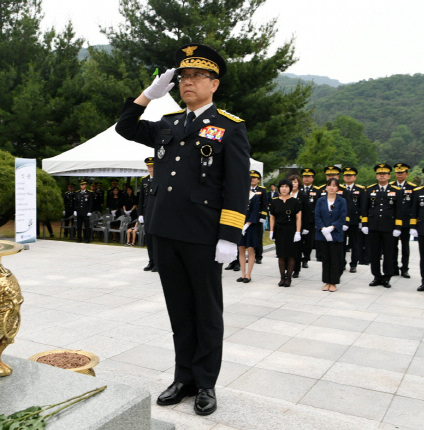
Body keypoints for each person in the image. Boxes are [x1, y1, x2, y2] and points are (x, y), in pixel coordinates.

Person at [115, 43, 250, 416]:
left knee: (206, 311)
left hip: (204, 235)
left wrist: (229, 235)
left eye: (196, 77)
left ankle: (206, 383)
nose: (187, 83)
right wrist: (148, 95)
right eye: (183, 77)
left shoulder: (229, 127)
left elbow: (238, 187)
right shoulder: (169, 123)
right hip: (166, 232)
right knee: (179, 311)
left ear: (214, 84)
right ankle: (183, 377)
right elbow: (125, 127)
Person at [361, 164, 403, 288]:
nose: (382, 175)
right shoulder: (369, 190)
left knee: (388, 253)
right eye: (379, 174)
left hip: (389, 228)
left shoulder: (396, 191)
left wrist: (398, 227)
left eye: (384, 174)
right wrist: (364, 224)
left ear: (389, 176)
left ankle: (387, 277)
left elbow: (399, 211)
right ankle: (376, 276)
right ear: (376, 176)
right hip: (373, 227)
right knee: (374, 253)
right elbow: (365, 209)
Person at [315, 178, 347, 292]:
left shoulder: (342, 201)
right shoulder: (321, 200)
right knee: (326, 259)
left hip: (336, 234)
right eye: (330, 185)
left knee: (335, 259)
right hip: (323, 234)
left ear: (337, 188)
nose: (332, 187)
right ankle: (326, 281)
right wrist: (323, 228)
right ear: (326, 187)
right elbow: (317, 216)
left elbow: (342, 217)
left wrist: (331, 228)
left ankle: (333, 282)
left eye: (334, 185)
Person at [269, 178, 302, 287]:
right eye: (282, 186)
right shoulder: (275, 201)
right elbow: (272, 217)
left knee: (291, 255)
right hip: (279, 230)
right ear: (279, 188)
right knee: (281, 255)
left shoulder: (295, 201)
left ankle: (289, 278)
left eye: (286, 187)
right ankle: (282, 277)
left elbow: (298, 218)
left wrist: (298, 232)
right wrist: (271, 230)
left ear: (290, 188)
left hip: (291, 230)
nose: (284, 189)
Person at [391, 163, 417, 278]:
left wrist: (413, 224)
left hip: (406, 221)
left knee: (405, 246)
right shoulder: (391, 186)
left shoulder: (413, 188)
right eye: (397, 173)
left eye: (401, 173)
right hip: (393, 222)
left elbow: (415, 207)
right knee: (393, 246)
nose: (399, 175)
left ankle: (405, 268)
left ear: (406, 174)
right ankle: (394, 267)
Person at [237, 175, 261, 283]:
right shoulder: (239, 196)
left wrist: (247, 224)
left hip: (250, 226)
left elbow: (255, 212)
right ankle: (242, 274)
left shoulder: (255, 196)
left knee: (250, 249)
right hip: (239, 225)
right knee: (241, 249)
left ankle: (248, 274)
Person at [341, 167, 364, 273]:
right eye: (346, 175)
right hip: (342, 221)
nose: (348, 177)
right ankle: (342, 263)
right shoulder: (340, 189)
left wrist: (361, 221)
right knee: (341, 243)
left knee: (355, 244)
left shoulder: (360, 189)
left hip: (355, 221)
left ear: (355, 177)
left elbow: (363, 206)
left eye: (350, 175)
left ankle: (354, 264)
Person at [138, 157, 157, 271]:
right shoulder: (145, 180)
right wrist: (140, 214)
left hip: (157, 213)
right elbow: (141, 199)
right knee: (149, 239)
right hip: (147, 213)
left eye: (152, 166)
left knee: (156, 240)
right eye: (149, 167)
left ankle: (157, 263)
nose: (150, 169)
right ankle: (151, 261)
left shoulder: (160, 179)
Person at [288, 174, 308, 279]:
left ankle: (296, 269)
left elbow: (307, 212)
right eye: (291, 181)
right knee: (287, 248)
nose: (293, 184)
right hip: (286, 225)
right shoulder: (285, 194)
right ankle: (287, 268)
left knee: (297, 249)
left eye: (295, 182)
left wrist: (305, 227)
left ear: (299, 183)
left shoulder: (303, 195)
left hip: (298, 226)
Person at [299, 168, 318, 268]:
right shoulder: (298, 189)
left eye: (308, 177)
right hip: (298, 219)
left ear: (312, 178)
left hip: (310, 220)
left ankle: (306, 258)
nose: (306, 179)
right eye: (304, 177)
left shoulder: (317, 191)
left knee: (308, 241)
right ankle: (298, 257)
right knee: (299, 240)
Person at [250, 170, 268, 264]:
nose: (252, 180)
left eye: (254, 178)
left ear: (258, 180)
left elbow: (265, 204)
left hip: (257, 217)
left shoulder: (262, 190)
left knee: (258, 237)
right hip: (248, 217)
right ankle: (251, 255)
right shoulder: (245, 188)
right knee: (249, 237)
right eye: (251, 178)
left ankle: (258, 256)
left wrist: (263, 216)